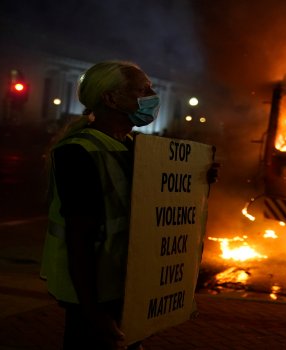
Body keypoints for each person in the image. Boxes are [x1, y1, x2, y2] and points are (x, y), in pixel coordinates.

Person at [40, 60, 216, 349]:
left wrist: (197, 177)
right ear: (111, 98)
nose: (152, 95)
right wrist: (92, 311)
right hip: (93, 292)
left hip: (122, 283)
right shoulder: (78, 151)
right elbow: (79, 236)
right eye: (142, 89)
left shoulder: (135, 146)